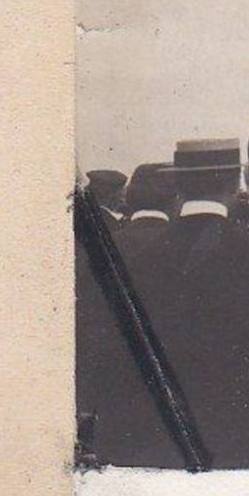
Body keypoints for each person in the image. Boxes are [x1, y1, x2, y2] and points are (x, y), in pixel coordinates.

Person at [118, 138, 249, 469]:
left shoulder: (140, 257)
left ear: (179, 187)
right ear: (235, 185)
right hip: (247, 428)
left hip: (167, 431)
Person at [75, 161, 176, 468]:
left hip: (113, 388)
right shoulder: (184, 244)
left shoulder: (100, 245)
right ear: (174, 199)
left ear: (130, 198)